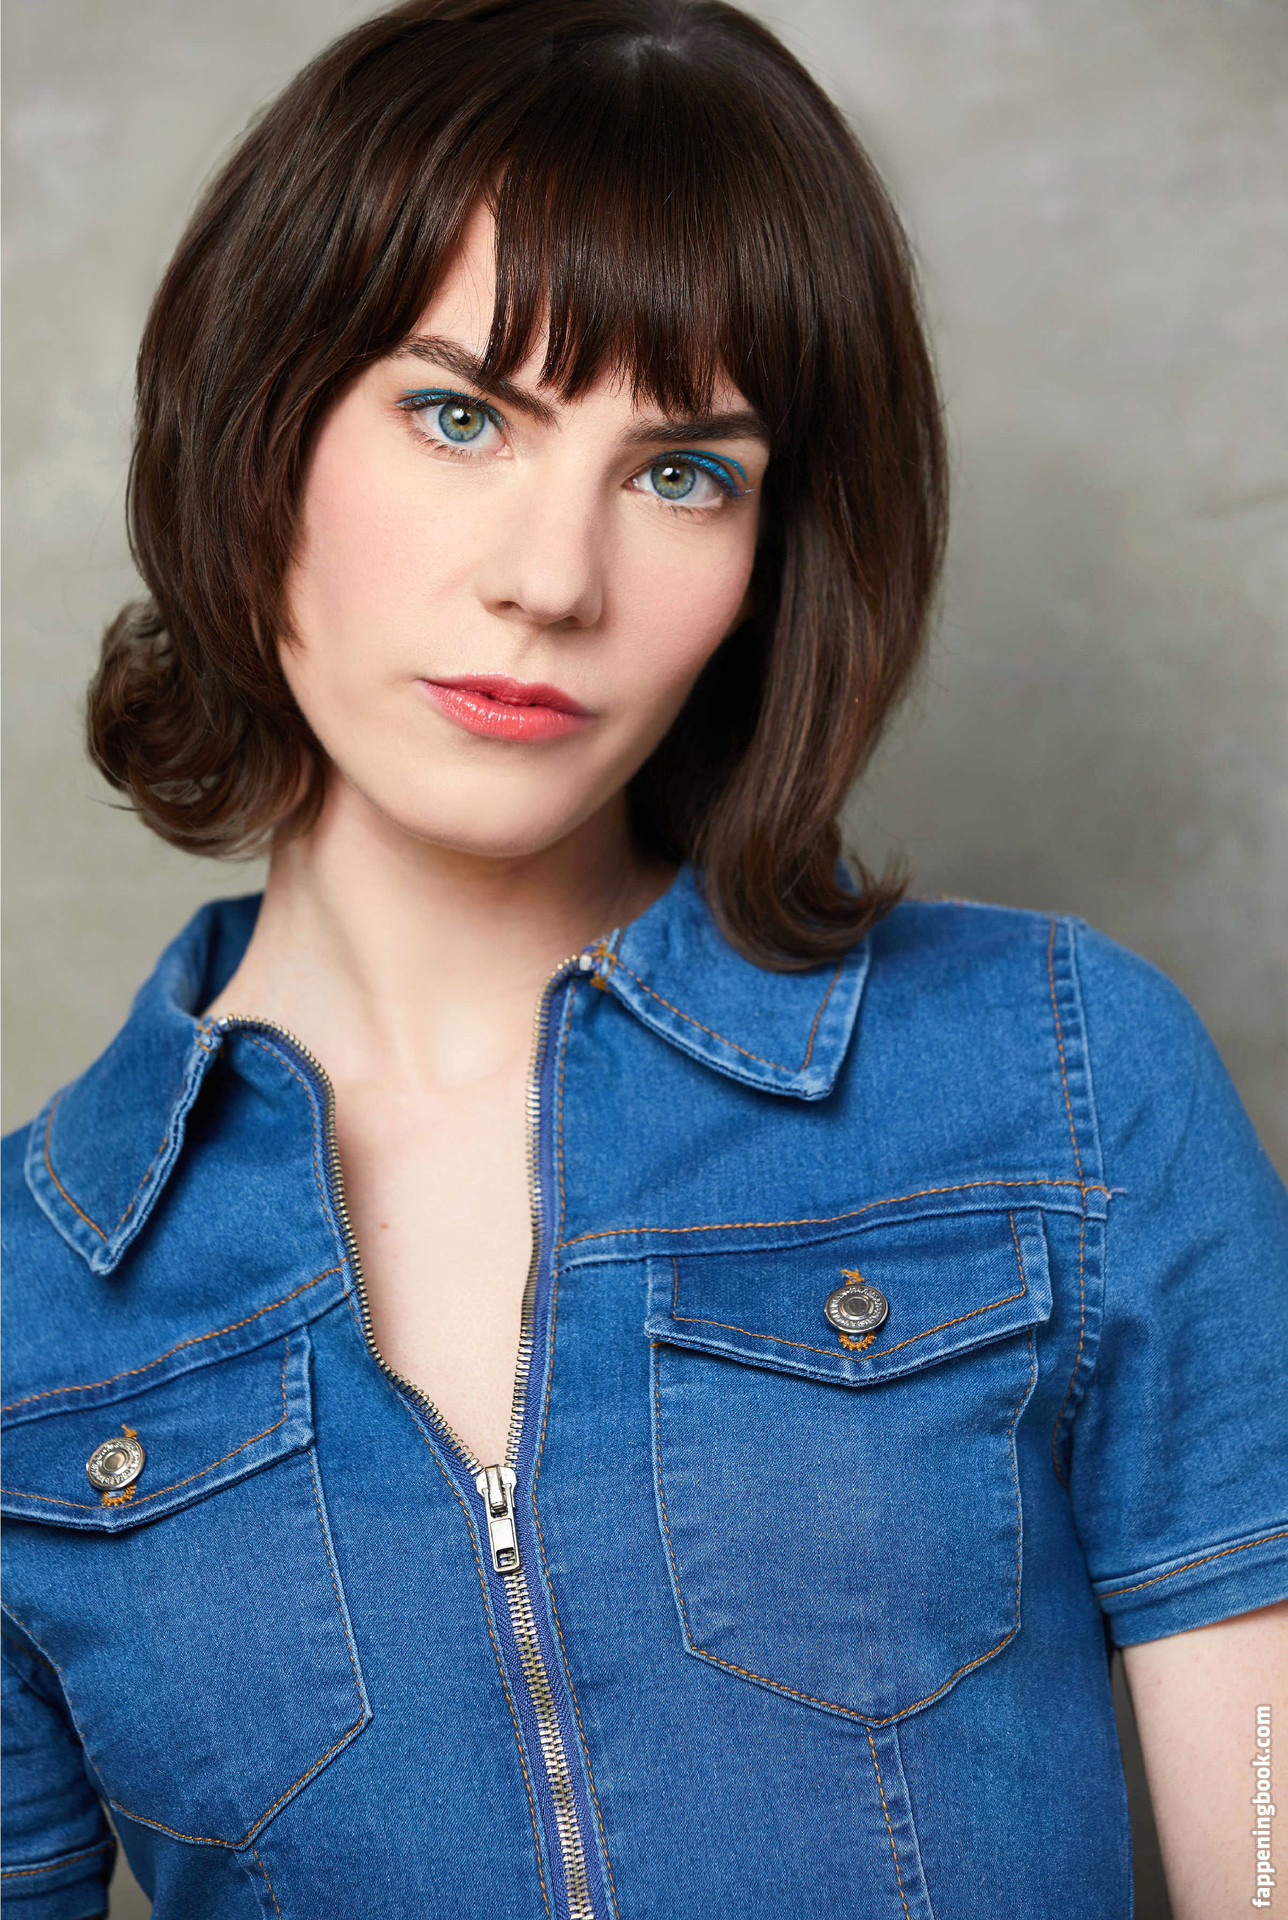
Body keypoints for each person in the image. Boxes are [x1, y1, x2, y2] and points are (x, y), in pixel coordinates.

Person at [2, 1, 1285, 1914]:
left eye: (684, 472)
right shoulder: (30, 1309)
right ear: (256, 428)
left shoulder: (1062, 1080)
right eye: (459, 417)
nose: (553, 579)